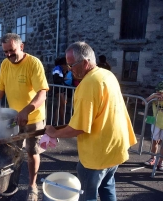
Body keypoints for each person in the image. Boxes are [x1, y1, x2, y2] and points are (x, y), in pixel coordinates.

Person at [45, 41, 137, 201]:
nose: (69, 69)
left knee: (88, 196)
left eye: (72, 65)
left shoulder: (88, 84)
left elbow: (79, 127)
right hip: (115, 148)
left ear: (85, 62)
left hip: (97, 154)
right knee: (108, 188)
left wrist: (54, 132)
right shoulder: (107, 74)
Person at [0, 33, 49, 201]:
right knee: (12, 152)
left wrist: (27, 110)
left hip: (33, 118)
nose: (8, 55)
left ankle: (32, 186)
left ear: (21, 46)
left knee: (32, 153)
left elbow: (42, 93)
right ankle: (12, 184)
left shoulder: (34, 63)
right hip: (13, 119)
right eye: (5, 52)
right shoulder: (5, 64)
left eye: (11, 51)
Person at [143, 81, 163, 170]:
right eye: (159, 92)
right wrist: (153, 96)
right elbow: (144, 103)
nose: (160, 95)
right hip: (156, 122)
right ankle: (152, 158)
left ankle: (161, 162)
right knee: (155, 141)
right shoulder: (154, 96)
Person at [52, 57, 73, 125]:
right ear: (64, 64)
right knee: (62, 105)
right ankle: (62, 121)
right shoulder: (57, 69)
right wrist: (63, 78)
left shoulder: (60, 69)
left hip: (61, 89)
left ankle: (56, 121)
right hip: (58, 89)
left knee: (60, 105)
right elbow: (56, 80)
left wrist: (64, 73)